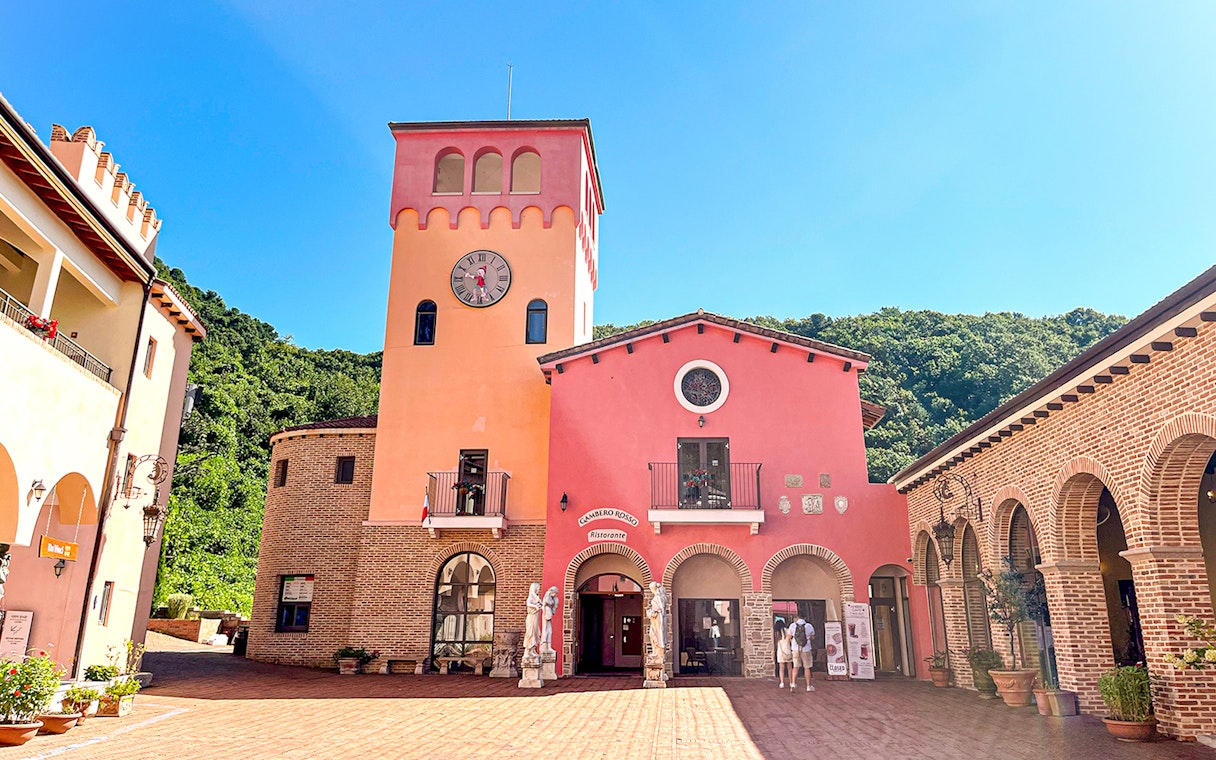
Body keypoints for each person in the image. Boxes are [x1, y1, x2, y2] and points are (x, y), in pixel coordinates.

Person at [787, 614, 815, 692]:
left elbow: (789, 637)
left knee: (795, 667)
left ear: (797, 617)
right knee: (807, 667)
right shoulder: (809, 626)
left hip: (795, 648)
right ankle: (808, 686)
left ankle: (793, 684)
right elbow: (813, 637)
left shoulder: (792, 626)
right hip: (806, 649)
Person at [775, 621, 794, 688]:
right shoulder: (788, 631)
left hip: (780, 651)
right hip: (787, 650)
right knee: (789, 668)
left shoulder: (777, 633)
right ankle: (791, 682)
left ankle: (782, 682)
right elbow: (791, 640)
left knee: (781, 668)